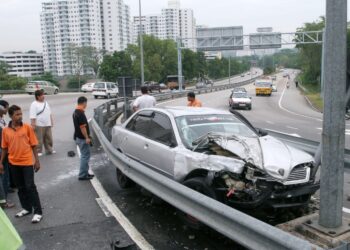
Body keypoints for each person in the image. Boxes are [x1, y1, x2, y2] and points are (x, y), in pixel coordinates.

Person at [0, 105, 43, 223]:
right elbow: (4, 148)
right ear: (11, 116)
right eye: (17, 114)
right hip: (13, 163)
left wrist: (37, 161)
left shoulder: (27, 128)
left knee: (30, 187)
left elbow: (34, 144)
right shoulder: (5, 131)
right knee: (21, 188)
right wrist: (1, 163)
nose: (20, 116)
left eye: (21, 114)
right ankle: (26, 208)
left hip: (27, 162)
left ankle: (38, 211)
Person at [73, 96, 94, 181]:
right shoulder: (80, 113)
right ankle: (82, 175)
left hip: (78, 137)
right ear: (84, 103)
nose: (86, 105)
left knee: (85, 155)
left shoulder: (75, 112)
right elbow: (82, 127)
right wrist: (87, 138)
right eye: (86, 103)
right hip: (82, 138)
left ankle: (85, 173)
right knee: (85, 156)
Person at [29, 90, 55, 156]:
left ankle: (49, 149)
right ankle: (38, 151)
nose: (43, 96)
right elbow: (32, 115)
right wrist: (33, 124)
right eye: (42, 95)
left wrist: (51, 121)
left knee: (49, 138)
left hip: (47, 124)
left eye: (43, 94)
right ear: (38, 96)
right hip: (39, 124)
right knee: (38, 139)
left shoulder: (46, 103)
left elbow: (49, 113)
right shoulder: (34, 104)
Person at [0, 100, 14, 209]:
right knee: (2, 173)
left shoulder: (2, 119)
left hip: (4, 149)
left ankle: (7, 188)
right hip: (1, 150)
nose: (7, 110)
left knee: (6, 171)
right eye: (6, 108)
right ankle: (3, 201)